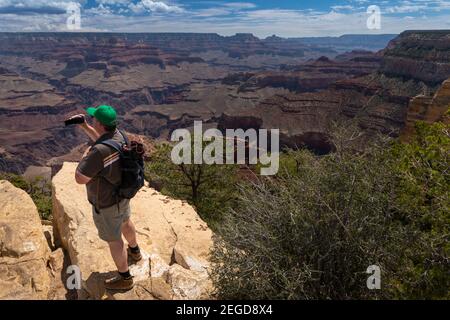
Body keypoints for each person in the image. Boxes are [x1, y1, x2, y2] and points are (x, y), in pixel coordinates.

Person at [68, 105, 142, 291]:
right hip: (123, 195)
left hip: (107, 202)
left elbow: (80, 178)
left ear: (99, 123)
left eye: (93, 120)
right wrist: (84, 126)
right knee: (126, 222)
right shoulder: (120, 135)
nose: (92, 120)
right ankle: (135, 251)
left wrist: (86, 155)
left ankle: (125, 278)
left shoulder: (98, 152)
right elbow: (104, 142)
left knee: (114, 239)